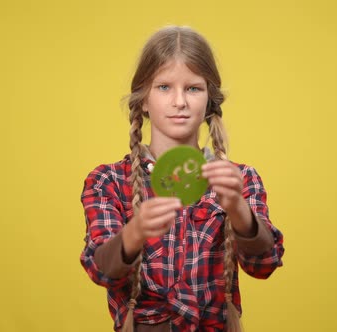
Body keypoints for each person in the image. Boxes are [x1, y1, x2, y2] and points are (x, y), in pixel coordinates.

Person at [80, 26, 284, 332]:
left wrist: (239, 210)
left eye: (193, 88)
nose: (180, 102)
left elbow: (264, 265)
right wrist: (135, 232)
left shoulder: (238, 179)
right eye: (163, 87)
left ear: (209, 101)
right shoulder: (108, 181)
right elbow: (101, 271)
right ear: (144, 100)